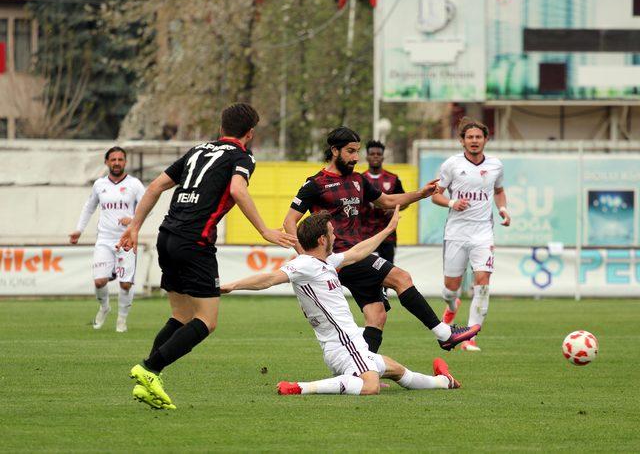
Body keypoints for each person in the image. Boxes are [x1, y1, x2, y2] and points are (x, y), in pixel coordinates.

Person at [117, 103, 297, 410]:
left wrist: (135, 226)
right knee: (206, 321)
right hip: (195, 242)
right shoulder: (242, 156)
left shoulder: (196, 151)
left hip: (167, 236)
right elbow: (238, 190)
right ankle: (149, 370)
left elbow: (157, 186)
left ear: (221, 128)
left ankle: (150, 379)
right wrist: (265, 230)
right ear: (250, 133)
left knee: (181, 316)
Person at [222, 208, 462, 396]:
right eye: (331, 232)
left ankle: (443, 381)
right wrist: (233, 285)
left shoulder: (326, 262)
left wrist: (388, 228)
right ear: (321, 240)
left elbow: (358, 252)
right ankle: (300, 387)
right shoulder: (304, 263)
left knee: (397, 371)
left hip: (351, 342)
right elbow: (270, 278)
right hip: (343, 344)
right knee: (370, 386)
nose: (335, 235)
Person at [283, 126, 480, 354]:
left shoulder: (358, 180)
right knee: (401, 278)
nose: (356, 157)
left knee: (376, 315)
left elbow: (386, 201)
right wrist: (310, 259)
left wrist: (420, 194)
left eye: (357, 151)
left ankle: (364, 370)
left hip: (358, 254)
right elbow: (289, 221)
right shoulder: (315, 184)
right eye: (350, 151)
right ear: (335, 151)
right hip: (340, 257)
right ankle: (444, 335)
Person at [431, 117, 511, 352]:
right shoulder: (451, 165)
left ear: (486, 139)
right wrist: (452, 202)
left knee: (483, 283)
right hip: (456, 233)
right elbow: (436, 195)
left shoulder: (496, 165)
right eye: (470, 137)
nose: (474, 141)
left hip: (483, 234)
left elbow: (499, 191)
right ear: (462, 140)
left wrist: (503, 209)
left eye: (478, 137)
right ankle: (451, 304)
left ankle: (469, 337)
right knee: (450, 288)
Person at [69, 146, 145, 333]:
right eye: (113, 159)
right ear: (107, 162)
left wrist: (134, 220)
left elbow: (147, 207)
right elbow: (89, 207)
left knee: (125, 284)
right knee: (99, 282)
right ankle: (104, 307)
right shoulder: (99, 185)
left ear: (125, 162)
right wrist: (79, 230)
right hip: (104, 239)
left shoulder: (135, 184)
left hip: (126, 240)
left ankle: (122, 319)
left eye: (120, 159)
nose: (117, 163)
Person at [361, 140, 406, 301]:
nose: (375, 157)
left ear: (383, 157)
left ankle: (383, 295)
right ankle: (372, 294)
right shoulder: (360, 179)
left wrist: (394, 208)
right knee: (368, 266)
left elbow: (404, 201)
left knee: (386, 267)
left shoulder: (393, 179)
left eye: (378, 154)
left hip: (388, 234)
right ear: (366, 156)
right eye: (372, 154)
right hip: (365, 234)